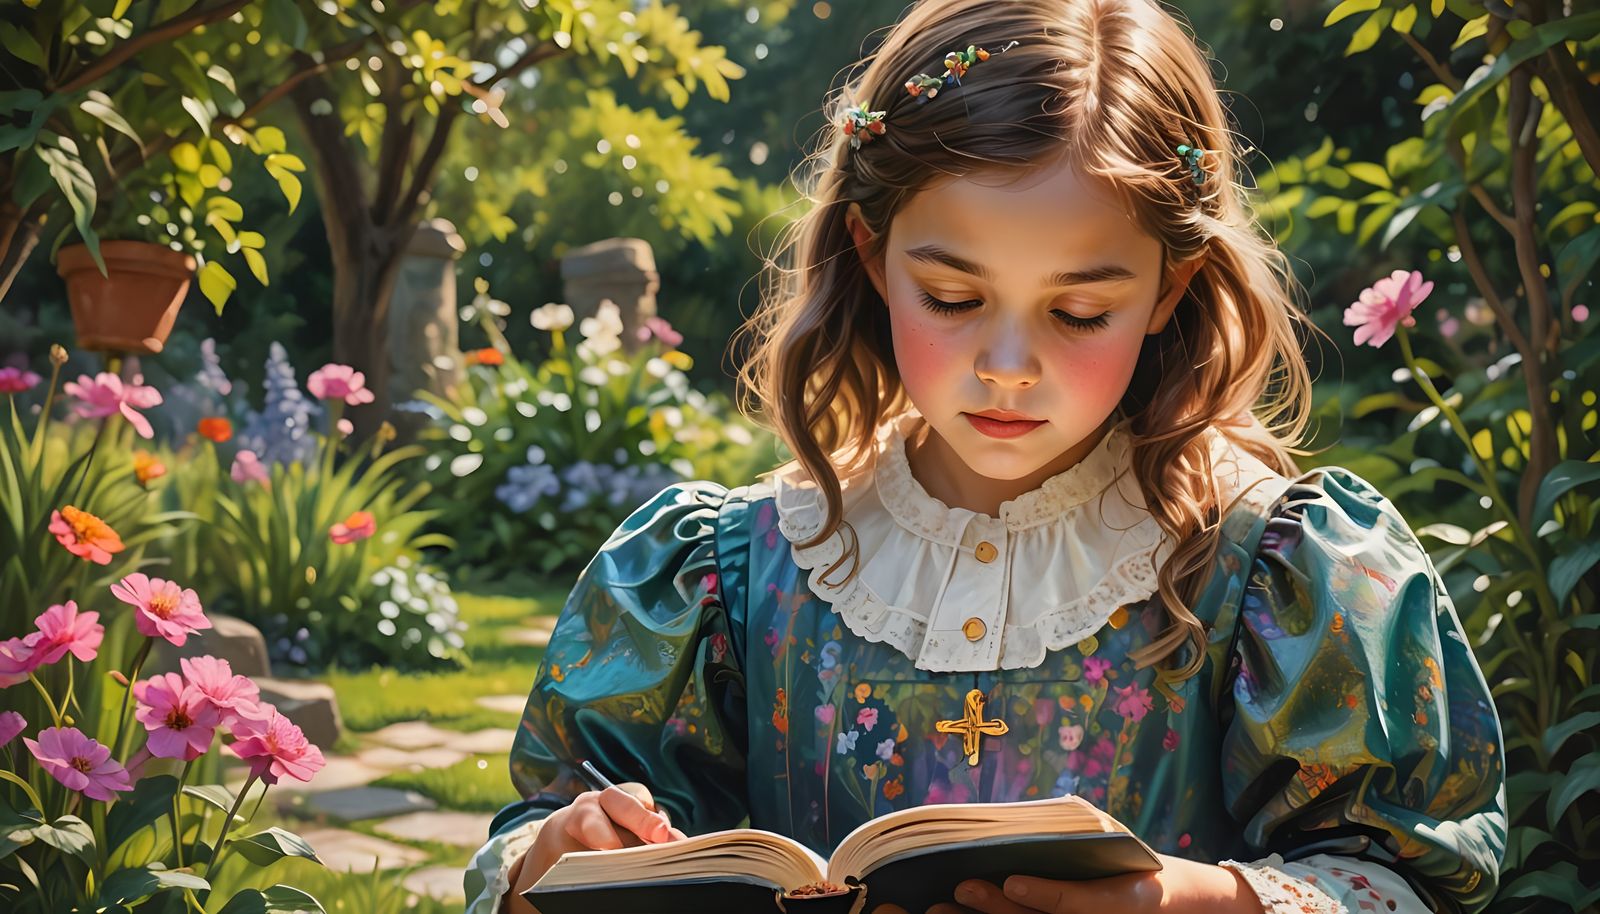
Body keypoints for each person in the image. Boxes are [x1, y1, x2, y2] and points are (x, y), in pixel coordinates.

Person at [462, 1, 1507, 911]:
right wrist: (558, 851)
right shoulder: (732, 571)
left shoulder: (1275, 568)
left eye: (1080, 309)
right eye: (952, 299)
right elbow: (552, 831)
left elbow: (1415, 876)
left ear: (1170, 290)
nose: (1008, 365)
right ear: (871, 255)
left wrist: (1198, 898)